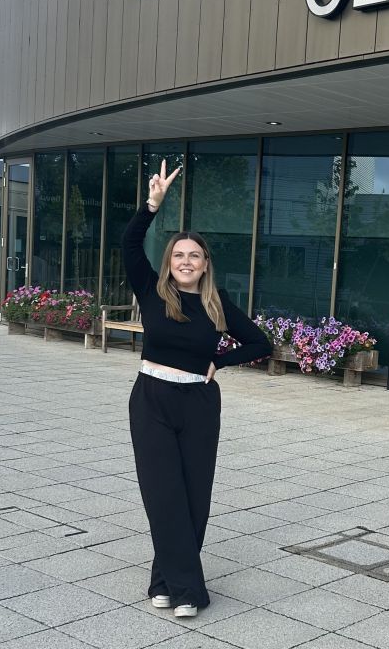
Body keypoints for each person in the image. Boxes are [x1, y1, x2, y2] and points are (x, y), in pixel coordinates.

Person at [123, 159, 271, 618]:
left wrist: (219, 361)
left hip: (199, 403)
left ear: (205, 264)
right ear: (169, 262)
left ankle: (164, 579)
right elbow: (129, 243)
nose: (186, 262)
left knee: (193, 496)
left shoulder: (216, 302)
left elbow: (260, 343)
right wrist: (152, 205)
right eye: (178, 255)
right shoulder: (150, 289)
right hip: (151, 398)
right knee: (162, 493)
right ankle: (190, 591)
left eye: (194, 256)